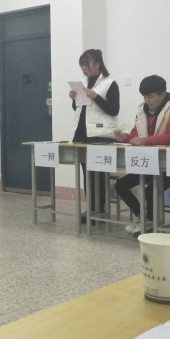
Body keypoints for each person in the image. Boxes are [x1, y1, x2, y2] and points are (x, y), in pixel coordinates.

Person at [113, 75, 170, 236]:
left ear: (162, 94)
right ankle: (144, 219)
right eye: (145, 97)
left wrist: (145, 140)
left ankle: (150, 221)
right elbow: (135, 135)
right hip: (150, 162)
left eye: (151, 96)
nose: (147, 100)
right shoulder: (143, 110)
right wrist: (124, 137)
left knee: (150, 190)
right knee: (121, 185)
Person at [69, 49, 120, 222]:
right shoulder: (82, 83)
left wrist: (96, 97)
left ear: (97, 64)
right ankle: (91, 209)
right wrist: (74, 99)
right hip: (82, 134)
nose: (83, 68)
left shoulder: (110, 83)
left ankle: (101, 210)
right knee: (87, 174)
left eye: (86, 65)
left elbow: (114, 110)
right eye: (82, 65)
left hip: (99, 135)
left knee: (100, 175)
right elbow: (79, 109)